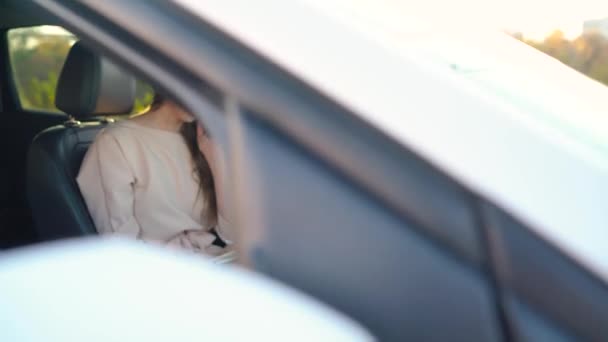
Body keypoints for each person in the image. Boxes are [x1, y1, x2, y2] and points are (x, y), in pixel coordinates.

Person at [77, 93, 232, 256]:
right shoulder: (115, 143)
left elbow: (229, 235)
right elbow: (123, 250)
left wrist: (215, 159)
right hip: (162, 271)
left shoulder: (203, 138)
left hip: (219, 263)